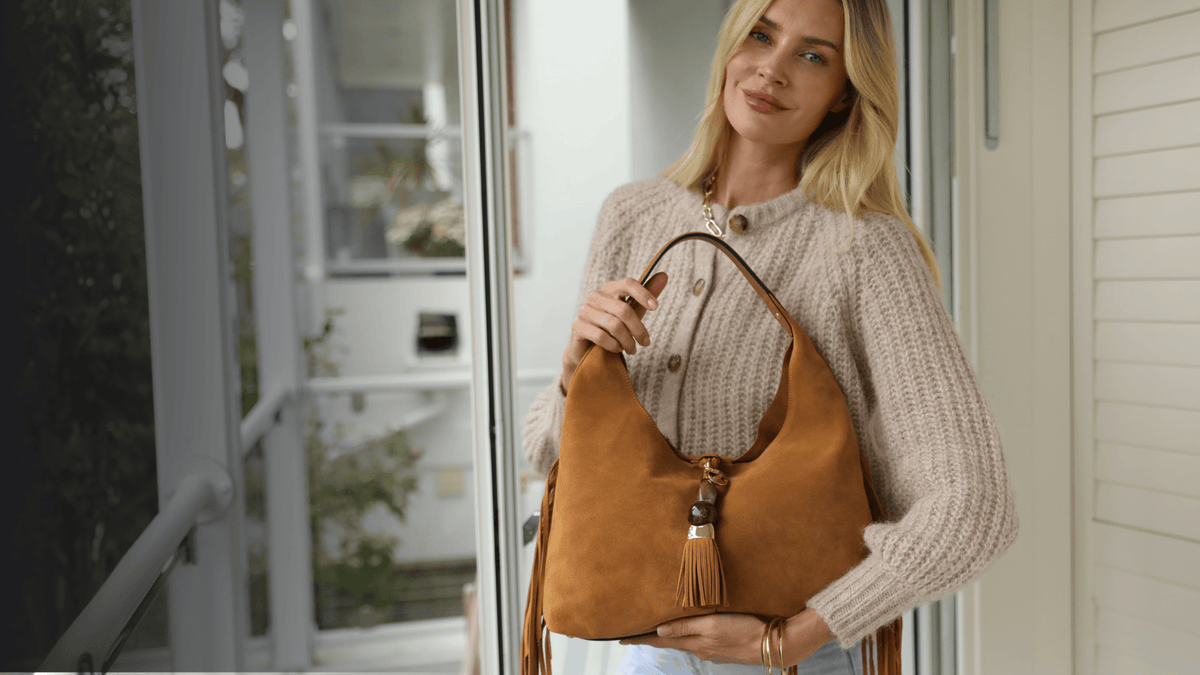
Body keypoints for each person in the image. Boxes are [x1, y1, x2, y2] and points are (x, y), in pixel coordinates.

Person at [522, 0, 1019, 672]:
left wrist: (799, 634)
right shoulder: (633, 215)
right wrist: (576, 372)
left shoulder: (864, 249)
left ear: (844, 93)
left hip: (791, 657)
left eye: (813, 55)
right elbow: (547, 451)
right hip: (638, 649)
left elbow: (974, 506)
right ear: (730, 46)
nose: (772, 70)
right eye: (760, 35)